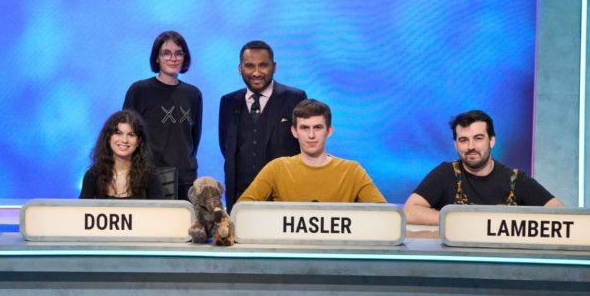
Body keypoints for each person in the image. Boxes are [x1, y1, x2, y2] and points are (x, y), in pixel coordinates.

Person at [403, 109, 564, 225]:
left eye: (478, 138)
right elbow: (409, 211)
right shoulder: (445, 173)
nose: (471, 146)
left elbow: (561, 213)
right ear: (455, 144)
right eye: (464, 140)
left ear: (491, 140)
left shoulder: (515, 180)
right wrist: (456, 220)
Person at [237, 99, 386, 204]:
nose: (311, 135)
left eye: (318, 127)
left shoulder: (352, 171)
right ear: (294, 131)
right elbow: (242, 210)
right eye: (304, 128)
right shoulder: (277, 169)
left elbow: (384, 216)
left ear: (329, 131)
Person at [218, 40, 308, 212]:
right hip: (240, 202)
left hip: (284, 201)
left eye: (263, 66)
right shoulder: (228, 102)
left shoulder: (294, 98)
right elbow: (226, 147)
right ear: (240, 68)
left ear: (274, 67)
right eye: (250, 66)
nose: (256, 72)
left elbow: (304, 146)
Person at [123, 31, 202, 201]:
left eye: (178, 53)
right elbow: (125, 135)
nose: (173, 58)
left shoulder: (193, 94)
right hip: (150, 176)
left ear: (184, 57)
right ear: (157, 58)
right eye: (166, 53)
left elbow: (194, 138)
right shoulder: (139, 90)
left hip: (186, 178)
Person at [80, 110, 164, 199]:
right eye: (118, 133)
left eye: (131, 135)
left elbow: (161, 211)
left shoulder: (149, 175)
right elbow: (80, 211)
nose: (124, 140)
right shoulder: (93, 175)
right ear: (109, 138)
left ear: (139, 141)